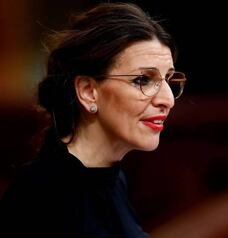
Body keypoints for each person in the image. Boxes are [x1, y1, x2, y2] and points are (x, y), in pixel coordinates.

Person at [0, 2, 186, 237]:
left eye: (169, 79)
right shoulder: (43, 197)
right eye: (142, 80)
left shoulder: (111, 178)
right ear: (88, 91)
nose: (168, 99)